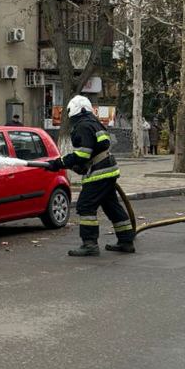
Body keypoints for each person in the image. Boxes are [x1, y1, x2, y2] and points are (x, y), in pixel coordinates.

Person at [29, 95, 135, 256]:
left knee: (86, 206)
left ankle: (90, 244)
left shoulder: (83, 126)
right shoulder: (94, 123)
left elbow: (82, 154)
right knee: (112, 206)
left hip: (99, 173)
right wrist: (78, 165)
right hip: (109, 169)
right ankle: (126, 241)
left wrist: (58, 163)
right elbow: (96, 148)